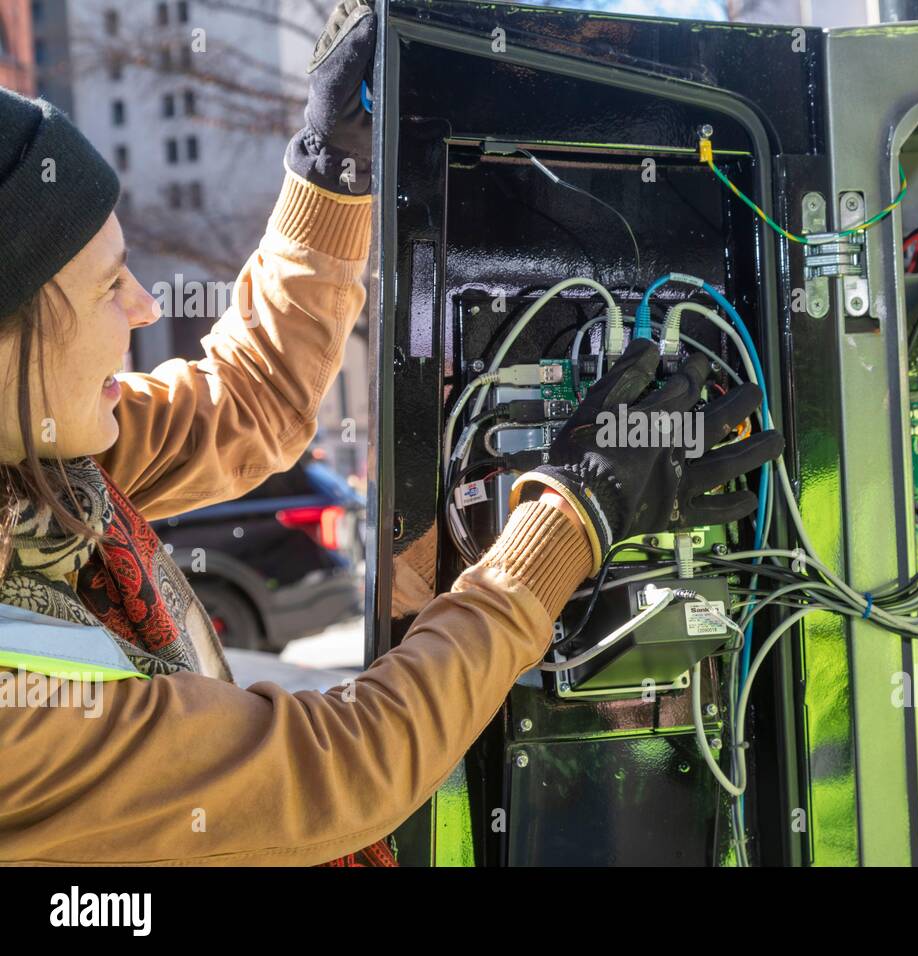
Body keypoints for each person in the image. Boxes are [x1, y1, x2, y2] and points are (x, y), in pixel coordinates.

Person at [0, 1, 781, 865]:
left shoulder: (39, 465)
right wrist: (571, 517)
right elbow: (342, 768)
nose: (147, 306)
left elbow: (246, 398)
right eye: (109, 287)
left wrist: (331, 168)